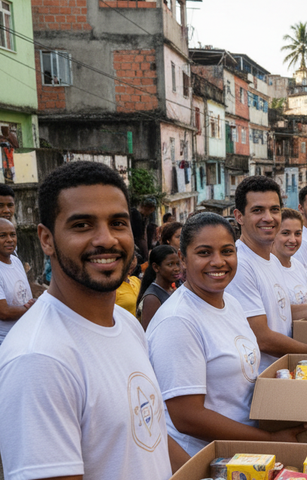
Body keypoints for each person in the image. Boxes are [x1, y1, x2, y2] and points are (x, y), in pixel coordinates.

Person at [0, 161, 187, 479]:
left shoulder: (125, 324)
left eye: (117, 223)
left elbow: (146, 435)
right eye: (82, 225)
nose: (107, 239)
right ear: (46, 239)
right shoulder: (39, 360)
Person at [147, 213, 307, 457]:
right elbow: (187, 417)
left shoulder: (230, 302)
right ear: (183, 259)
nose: (218, 261)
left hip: (245, 451)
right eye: (204, 253)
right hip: (206, 458)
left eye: (227, 251)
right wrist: (269, 439)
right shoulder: (178, 320)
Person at [226, 176, 307, 373]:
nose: (268, 217)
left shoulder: (273, 261)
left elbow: (281, 312)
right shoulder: (240, 264)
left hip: (282, 371)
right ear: (239, 216)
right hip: (260, 377)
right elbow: (262, 338)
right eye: (258, 210)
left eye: (274, 210)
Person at [0, 218, 33, 345]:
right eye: (2, 235)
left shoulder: (16, 261)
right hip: (5, 342)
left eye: (12, 234)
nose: (10, 239)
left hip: (24, 336)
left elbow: (23, 293)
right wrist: (33, 308)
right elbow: (4, 312)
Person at [273, 209, 307, 305]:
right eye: (286, 233)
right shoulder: (266, 268)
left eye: (297, 234)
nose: (293, 240)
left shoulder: (299, 267)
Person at [137, 245, 180, 330]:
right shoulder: (152, 298)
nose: (176, 269)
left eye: (177, 264)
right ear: (156, 267)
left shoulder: (172, 290)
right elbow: (149, 333)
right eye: (170, 264)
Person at [131, 196, 157, 260]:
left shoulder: (145, 218)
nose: (149, 211)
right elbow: (140, 237)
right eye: (147, 208)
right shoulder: (135, 214)